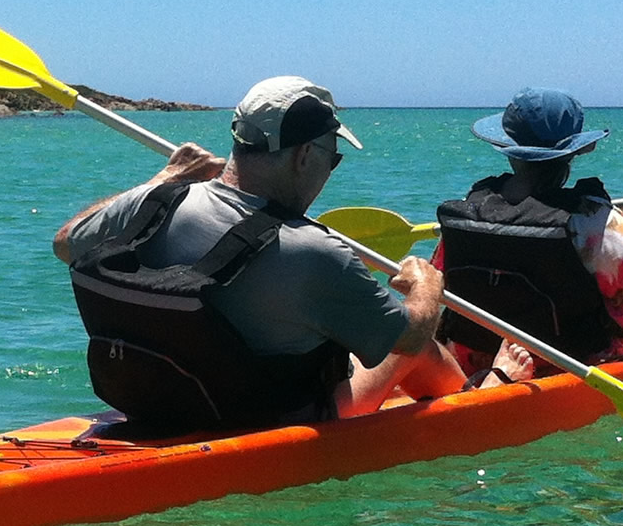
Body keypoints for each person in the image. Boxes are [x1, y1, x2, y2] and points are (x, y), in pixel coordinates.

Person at [53, 76, 464, 433]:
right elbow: (407, 337)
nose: (329, 170)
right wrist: (426, 288)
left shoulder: (153, 202)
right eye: (332, 158)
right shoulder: (315, 251)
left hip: (158, 407)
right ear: (304, 155)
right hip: (268, 419)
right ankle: (488, 398)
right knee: (421, 347)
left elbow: (67, 242)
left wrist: (163, 179)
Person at [435, 88, 623, 382]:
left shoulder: (467, 211)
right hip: (573, 365)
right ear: (578, 149)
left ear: (507, 145)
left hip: (480, 364)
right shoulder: (590, 222)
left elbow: (439, 285)